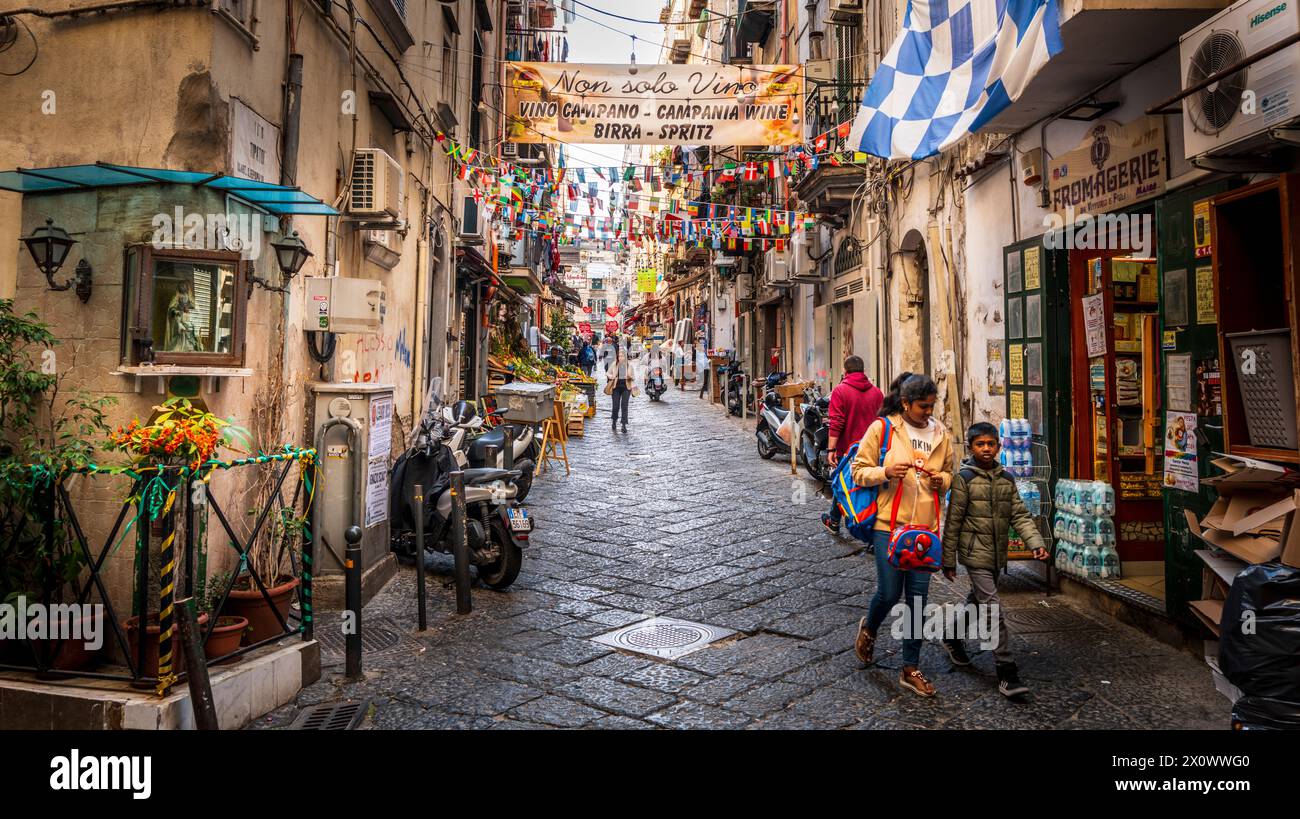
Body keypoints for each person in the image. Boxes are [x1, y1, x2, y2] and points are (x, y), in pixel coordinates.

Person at [850, 374, 954, 698]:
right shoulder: (883, 429)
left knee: (918, 601)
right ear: (906, 404)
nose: (928, 412)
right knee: (889, 592)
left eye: (932, 406)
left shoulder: (941, 433)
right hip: (888, 526)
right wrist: (885, 472)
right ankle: (870, 627)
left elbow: (951, 471)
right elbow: (858, 470)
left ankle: (910, 667)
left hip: (925, 529)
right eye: (923, 406)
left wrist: (943, 481)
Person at [940, 422, 1049, 700]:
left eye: (991, 444)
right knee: (992, 607)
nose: (986, 449)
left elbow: (1020, 516)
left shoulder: (1007, 480)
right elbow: (953, 521)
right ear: (971, 447)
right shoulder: (964, 478)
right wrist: (948, 559)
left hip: (997, 554)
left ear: (999, 447)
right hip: (975, 554)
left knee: (978, 603)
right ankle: (1006, 671)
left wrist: (1035, 543)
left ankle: (952, 636)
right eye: (980, 444)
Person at [821, 356, 885, 536]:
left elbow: (837, 422)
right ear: (862, 370)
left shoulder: (840, 391)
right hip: (873, 450)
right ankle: (873, 529)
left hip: (848, 450)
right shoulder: (877, 392)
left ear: (846, 371)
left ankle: (834, 520)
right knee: (872, 488)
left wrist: (831, 449)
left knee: (842, 484)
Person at [605, 347, 636, 433]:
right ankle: (614, 420)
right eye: (619, 356)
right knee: (615, 406)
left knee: (624, 406)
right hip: (616, 387)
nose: (621, 357)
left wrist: (630, 376)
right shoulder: (614, 364)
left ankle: (623, 425)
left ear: (625, 357)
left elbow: (634, 377)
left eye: (622, 356)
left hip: (626, 387)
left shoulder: (629, 366)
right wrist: (611, 377)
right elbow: (608, 372)